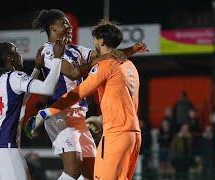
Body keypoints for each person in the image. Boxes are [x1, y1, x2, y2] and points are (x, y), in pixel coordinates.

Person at [31, 9, 146, 180]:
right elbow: (74, 73)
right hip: (60, 114)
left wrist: (131, 49)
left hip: (79, 116)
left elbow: (106, 55)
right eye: (64, 23)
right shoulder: (48, 50)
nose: (69, 26)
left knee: (94, 174)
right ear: (52, 28)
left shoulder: (77, 50)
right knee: (73, 168)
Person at [0, 41, 63, 180]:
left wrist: (37, 69)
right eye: (16, 51)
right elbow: (47, 88)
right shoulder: (14, 76)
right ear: (9, 57)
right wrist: (58, 59)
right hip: (5, 146)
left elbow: (23, 97)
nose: (20, 54)